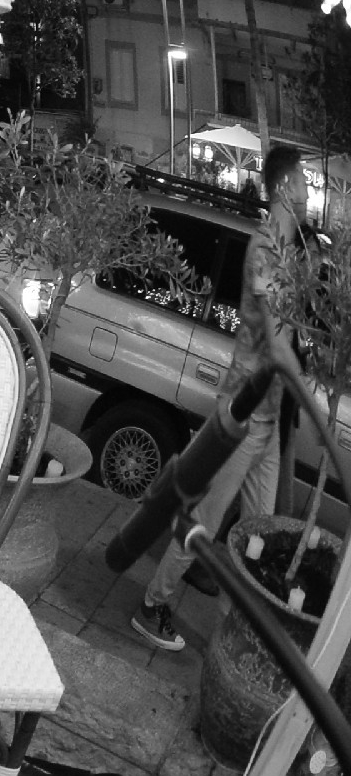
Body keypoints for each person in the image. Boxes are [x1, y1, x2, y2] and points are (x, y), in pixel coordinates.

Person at [133, 144, 309, 653]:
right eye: (302, 182)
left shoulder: (290, 253)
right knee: (206, 520)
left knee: (257, 537)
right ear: (284, 188)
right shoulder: (266, 250)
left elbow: (290, 336)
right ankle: (152, 604)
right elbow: (276, 342)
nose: (307, 193)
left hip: (268, 423)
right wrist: (312, 401)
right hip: (243, 416)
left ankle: (230, 634)